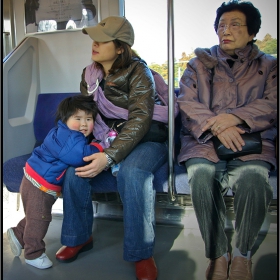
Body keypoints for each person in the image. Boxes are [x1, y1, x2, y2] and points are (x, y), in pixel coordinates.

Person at [55, 16, 171, 280]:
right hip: (107, 138)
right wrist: (80, 146)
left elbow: (141, 120)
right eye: (94, 38)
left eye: (102, 40)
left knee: (133, 173)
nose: (94, 44)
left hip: (147, 139)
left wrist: (107, 157)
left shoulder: (139, 72)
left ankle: (141, 253)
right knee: (75, 171)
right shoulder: (89, 74)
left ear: (120, 47)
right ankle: (79, 237)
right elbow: (88, 114)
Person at [177, 1, 277, 280]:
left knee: (255, 181)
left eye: (235, 25)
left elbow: (273, 103)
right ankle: (218, 254)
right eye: (221, 25)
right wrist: (217, 126)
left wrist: (233, 118)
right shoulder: (198, 64)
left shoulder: (269, 65)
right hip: (204, 140)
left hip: (252, 140)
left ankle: (243, 254)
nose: (226, 30)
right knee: (201, 175)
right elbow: (186, 102)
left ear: (252, 33)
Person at [6, 95, 103, 269]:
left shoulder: (63, 132)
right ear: (65, 119)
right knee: (41, 218)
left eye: (88, 119)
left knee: (35, 215)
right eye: (78, 118)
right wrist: (99, 147)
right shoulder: (71, 138)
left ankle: (18, 233)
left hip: (34, 178)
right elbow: (79, 157)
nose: (83, 124)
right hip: (40, 184)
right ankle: (33, 253)